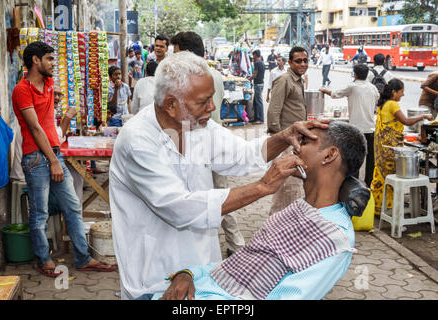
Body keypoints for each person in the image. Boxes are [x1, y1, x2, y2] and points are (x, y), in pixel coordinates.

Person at [109, 50, 330, 300]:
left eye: (212, 98)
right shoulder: (138, 140)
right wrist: (262, 186)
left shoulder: (196, 126)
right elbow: (180, 208)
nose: (212, 107)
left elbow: (243, 154)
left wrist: (283, 137)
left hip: (199, 268)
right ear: (171, 104)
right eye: (203, 101)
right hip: (153, 276)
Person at [154, 121, 366, 300]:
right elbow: (240, 264)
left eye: (305, 141)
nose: (294, 146)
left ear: (329, 156)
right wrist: (188, 273)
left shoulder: (334, 240)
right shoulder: (298, 209)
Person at [11, 41, 116, 277]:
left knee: (72, 207)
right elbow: (35, 128)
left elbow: (50, 116)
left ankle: (83, 258)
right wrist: (54, 161)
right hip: (36, 158)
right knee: (39, 214)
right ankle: (43, 259)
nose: (53, 63)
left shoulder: (47, 83)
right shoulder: (22, 90)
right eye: (48, 58)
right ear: (35, 61)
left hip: (53, 154)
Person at [171, 31, 245, 257]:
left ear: (188, 53)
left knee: (211, 197)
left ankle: (231, 245)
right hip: (211, 141)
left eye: (177, 54)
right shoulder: (213, 74)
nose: (174, 60)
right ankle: (235, 244)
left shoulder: (194, 79)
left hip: (200, 142)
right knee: (219, 195)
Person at [371, 79, 433, 215]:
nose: (403, 95)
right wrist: (423, 116)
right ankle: (389, 209)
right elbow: (406, 121)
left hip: (381, 147)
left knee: (381, 176)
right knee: (392, 176)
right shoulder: (392, 104)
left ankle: (377, 207)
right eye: (401, 92)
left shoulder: (384, 103)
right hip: (389, 150)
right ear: (394, 92)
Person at [320, 64, 379, 187]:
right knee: (370, 158)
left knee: (355, 155)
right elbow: (376, 101)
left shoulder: (353, 87)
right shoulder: (373, 88)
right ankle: (369, 180)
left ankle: (354, 181)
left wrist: (324, 90)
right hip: (370, 127)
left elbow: (337, 94)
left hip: (356, 128)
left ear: (355, 74)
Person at [267, 46, 309, 214]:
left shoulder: (298, 80)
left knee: (290, 186)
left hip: (295, 140)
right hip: (286, 141)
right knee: (288, 186)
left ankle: (284, 224)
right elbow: (273, 111)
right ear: (290, 62)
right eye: (298, 61)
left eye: (305, 60)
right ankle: (276, 224)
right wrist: (279, 139)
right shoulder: (285, 80)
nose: (303, 64)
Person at [248, 50, 265, 125]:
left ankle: (260, 119)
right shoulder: (261, 62)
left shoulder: (257, 63)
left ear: (255, 55)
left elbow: (255, 75)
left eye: (253, 55)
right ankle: (256, 118)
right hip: (260, 83)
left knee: (258, 102)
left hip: (258, 84)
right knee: (255, 102)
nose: (252, 56)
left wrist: (247, 79)